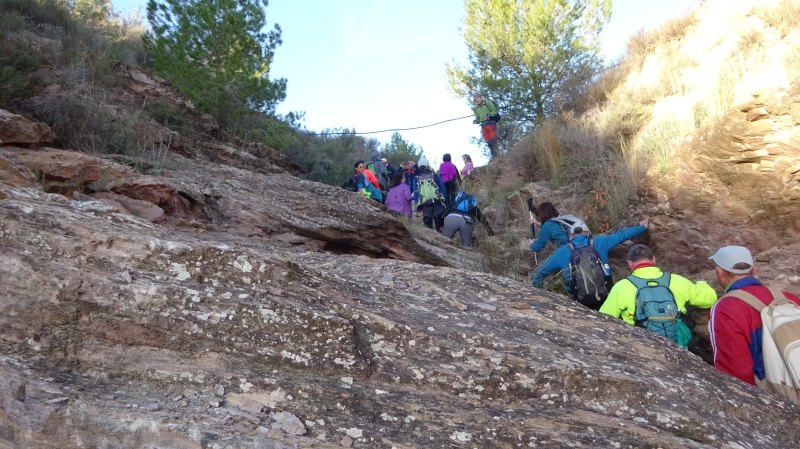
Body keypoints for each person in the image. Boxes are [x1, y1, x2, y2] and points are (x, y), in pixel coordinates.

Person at [708, 246, 800, 388]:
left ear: (719, 272)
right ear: (754, 269)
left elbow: (734, 370)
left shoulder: (725, 308)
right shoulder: (788, 298)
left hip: (771, 393)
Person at [599, 244, 718, 348]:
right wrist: (702, 284)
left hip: (641, 345)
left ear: (630, 263)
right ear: (653, 260)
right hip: (676, 344)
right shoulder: (676, 280)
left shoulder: (622, 286)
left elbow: (603, 318)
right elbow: (710, 299)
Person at [532, 218, 649, 301]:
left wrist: (543, 295)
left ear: (570, 236)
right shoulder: (600, 241)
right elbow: (623, 234)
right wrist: (643, 227)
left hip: (578, 299)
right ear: (588, 233)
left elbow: (539, 272)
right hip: (605, 295)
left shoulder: (562, 252)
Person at [414, 157, 447, 231]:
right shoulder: (435, 175)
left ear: (419, 166)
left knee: (428, 229)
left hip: (425, 205)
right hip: (438, 203)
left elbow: (416, 194)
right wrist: (446, 204)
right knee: (440, 227)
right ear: (427, 165)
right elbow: (443, 190)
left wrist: (419, 209)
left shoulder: (416, 178)